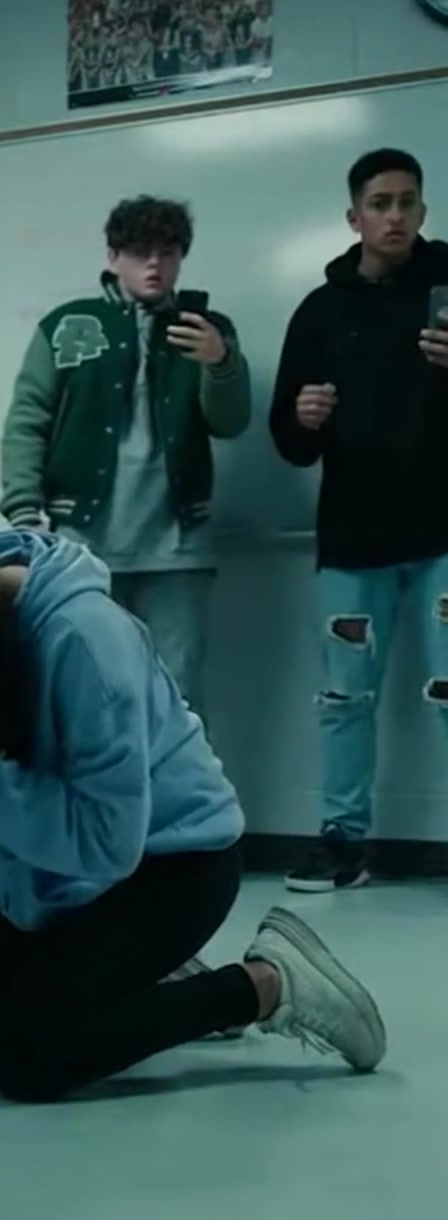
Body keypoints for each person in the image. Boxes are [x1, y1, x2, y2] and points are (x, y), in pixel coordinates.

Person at [0, 530, 385, 1103]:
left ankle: (265, 984)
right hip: (54, 886)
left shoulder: (85, 641)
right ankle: (141, 982)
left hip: (172, 869)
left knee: (23, 1059)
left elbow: (108, 845)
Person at [0, 195, 251, 731]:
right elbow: (27, 420)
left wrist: (221, 363)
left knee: (177, 701)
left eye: (168, 252)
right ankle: (96, 790)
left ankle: (171, 791)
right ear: (113, 257)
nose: (155, 264)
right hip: (84, 543)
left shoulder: (208, 328)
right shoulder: (67, 326)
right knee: (82, 693)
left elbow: (231, 423)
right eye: (140, 252)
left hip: (177, 545)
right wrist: (24, 513)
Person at [269, 149, 448, 892]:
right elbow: (287, 439)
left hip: (444, 536)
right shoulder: (320, 311)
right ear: (355, 217)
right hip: (353, 539)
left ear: (423, 211)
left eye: (407, 202)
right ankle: (343, 844)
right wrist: (303, 418)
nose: (395, 216)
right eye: (380, 203)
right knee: (344, 701)